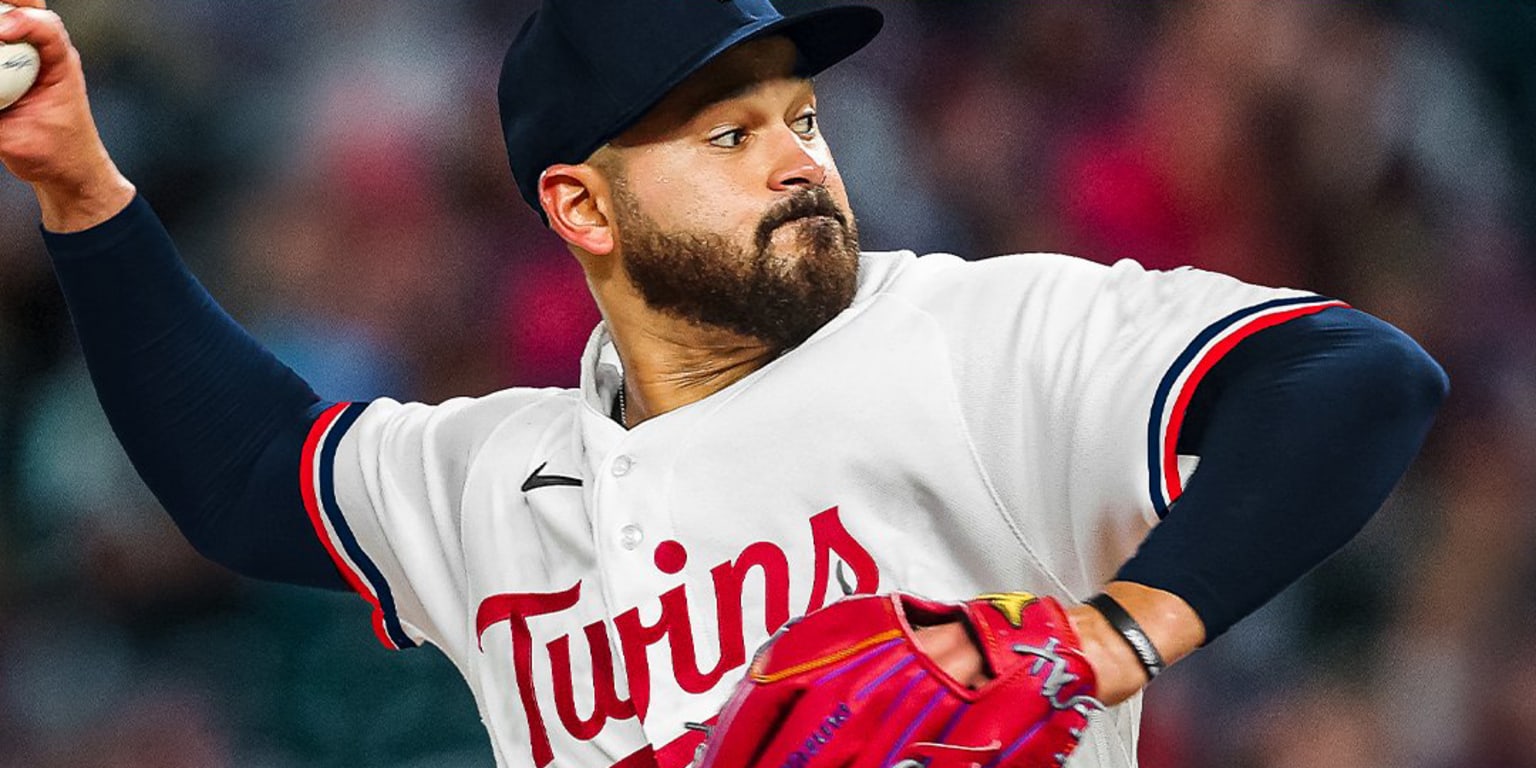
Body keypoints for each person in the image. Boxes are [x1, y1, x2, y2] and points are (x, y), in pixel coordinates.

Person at [0, 1, 1448, 766]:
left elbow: (1349, 376)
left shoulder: (966, 339)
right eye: (726, 134)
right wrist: (78, 182)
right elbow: (248, 476)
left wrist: (1105, 635)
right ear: (583, 209)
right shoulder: (500, 479)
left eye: (800, 117)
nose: (799, 158)